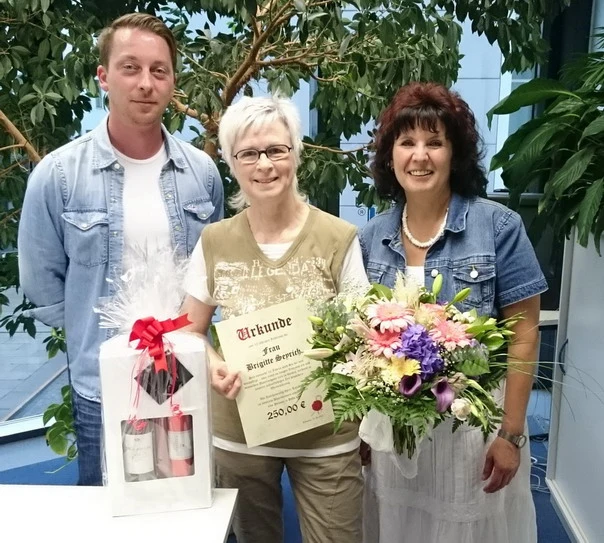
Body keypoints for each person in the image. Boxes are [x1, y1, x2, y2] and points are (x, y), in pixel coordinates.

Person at [18, 13, 224, 486]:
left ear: (172, 81)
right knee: (109, 505)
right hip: (102, 383)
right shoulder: (58, 176)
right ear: (104, 76)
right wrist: (96, 335)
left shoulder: (202, 174)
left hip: (186, 375)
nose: (145, 83)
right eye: (130, 68)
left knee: (191, 503)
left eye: (159, 70)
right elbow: (42, 285)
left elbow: (212, 275)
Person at [359, 82, 547, 542]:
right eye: (407, 142)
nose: (420, 156)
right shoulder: (370, 238)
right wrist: (362, 429)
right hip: (398, 431)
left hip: (472, 431)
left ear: (455, 153)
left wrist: (511, 434)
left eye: (435, 142)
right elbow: (362, 342)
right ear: (390, 156)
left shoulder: (498, 226)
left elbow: (525, 334)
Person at [182, 95, 368, 543]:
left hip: (326, 432)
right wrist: (214, 366)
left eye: (276, 150)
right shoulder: (214, 241)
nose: (264, 164)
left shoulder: (338, 237)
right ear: (231, 163)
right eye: (248, 153)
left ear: (295, 154)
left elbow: (364, 333)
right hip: (240, 433)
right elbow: (189, 328)